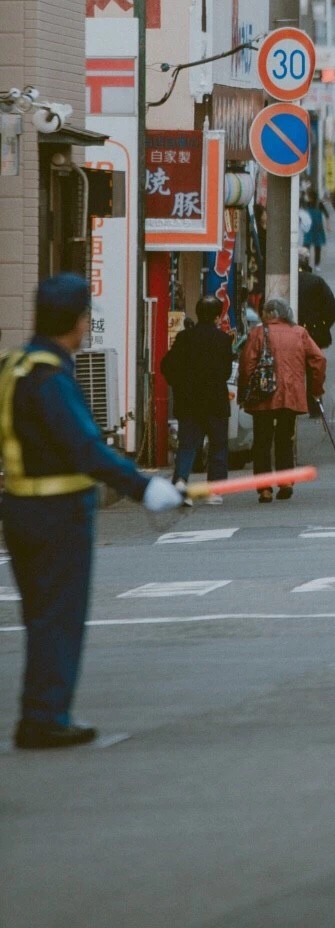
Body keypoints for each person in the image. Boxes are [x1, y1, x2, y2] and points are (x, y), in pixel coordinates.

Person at [0, 274, 184, 750]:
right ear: (75, 321)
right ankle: (46, 717)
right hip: (57, 514)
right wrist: (144, 488)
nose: (87, 326)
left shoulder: (14, 366)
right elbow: (85, 448)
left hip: (19, 510)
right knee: (60, 617)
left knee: (42, 617)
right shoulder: (51, 379)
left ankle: (38, 713)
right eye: (85, 317)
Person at [237, 296, 326, 503]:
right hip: (291, 395)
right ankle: (285, 481)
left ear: (269, 314)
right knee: (285, 439)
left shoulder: (258, 333)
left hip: (262, 395)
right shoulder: (299, 333)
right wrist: (315, 388)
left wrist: (244, 393)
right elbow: (318, 359)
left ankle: (265, 488)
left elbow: (246, 364)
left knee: (262, 441)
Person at [160, 296, 234, 489]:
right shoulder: (224, 340)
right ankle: (215, 488)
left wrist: (178, 384)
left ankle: (181, 480)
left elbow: (167, 365)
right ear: (218, 317)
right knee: (218, 445)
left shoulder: (184, 337)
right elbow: (226, 371)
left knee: (187, 444)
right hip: (215, 400)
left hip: (188, 400)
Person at [298, 265, 335, 351]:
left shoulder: (282, 281)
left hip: (287, 331)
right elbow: (331, 307)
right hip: (314, 329)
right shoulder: (317, 281)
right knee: (315, 359)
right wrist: (324, 325)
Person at [301, 188, 330, 270]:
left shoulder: (318, 204)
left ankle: (316, 264)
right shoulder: (305, 204)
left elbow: (327, 214)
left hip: (316, 227)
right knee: (307, 247)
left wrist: (328, 225)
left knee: (316, 246)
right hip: (310, 227)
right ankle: (307, 264)